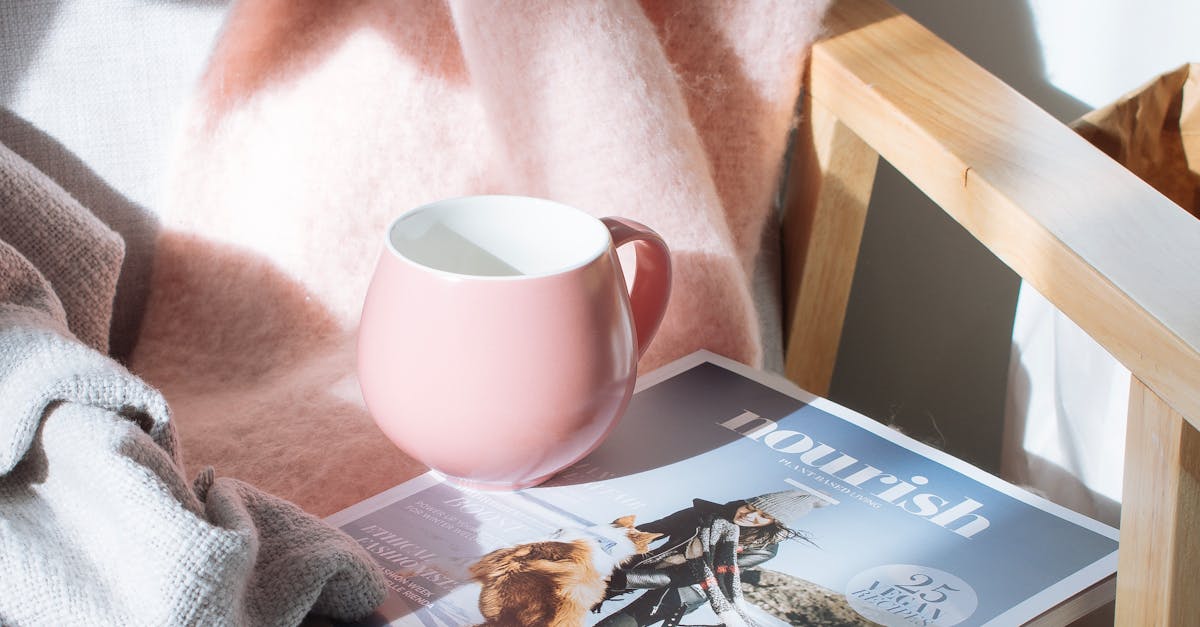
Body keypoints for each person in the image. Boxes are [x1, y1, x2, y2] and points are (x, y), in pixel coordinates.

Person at [594, 489, 826, 627]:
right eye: (751, 506)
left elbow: (689, 575)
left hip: (688, 588)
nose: (749, 515)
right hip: (651, 565)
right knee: (579, 592)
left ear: (774, 524)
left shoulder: (762, 549)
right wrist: (608, 539)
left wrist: (626, 579)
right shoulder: (704, 515)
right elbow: (654, 529)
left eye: (763, 515)